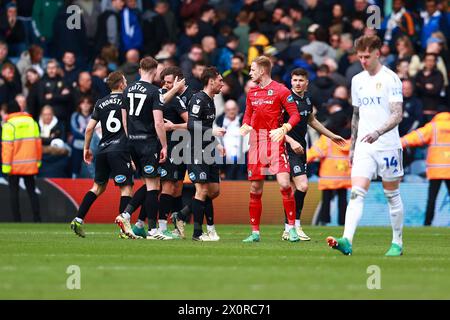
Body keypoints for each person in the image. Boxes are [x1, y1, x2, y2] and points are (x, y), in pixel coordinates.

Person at [326, 35, 405, 257]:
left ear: (378, 53)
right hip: (364, 146)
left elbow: (398, 114)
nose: (363, 60)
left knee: (392, 196)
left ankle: (397, 243)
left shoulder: (391, 79)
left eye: (367, 56)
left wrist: (378, 132)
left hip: (387, 145)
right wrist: (352, 147)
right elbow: (356, 115)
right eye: (360, 56)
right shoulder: (357, 80)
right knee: (356, 193)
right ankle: (347, 240)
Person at [239, 56, 300, 243]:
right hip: (257, 143)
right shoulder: (251, 92)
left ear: (263, 71)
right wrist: (245, 126)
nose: (250, 73)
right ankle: (255, 232)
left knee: (284, 184)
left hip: (275, 142)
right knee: (256, 188)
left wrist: (284, 129)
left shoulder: (281, 90)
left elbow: (295, 115)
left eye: (252, 69)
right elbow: (248, 115)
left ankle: (291, 229)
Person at [281, 68, 346, 241]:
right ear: (291, 82)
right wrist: (291, 141)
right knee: (302, 186)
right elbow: (276, 127)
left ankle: (289, 229)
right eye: (294, 80)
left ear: (306, 83)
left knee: (295, 190)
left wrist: (331, 136)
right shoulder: (285, 100)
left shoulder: (307, 100)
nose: (297, 83)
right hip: (287, 147)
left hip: (300, 148)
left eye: (301, 80)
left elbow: (311, 121)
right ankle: (295, 225)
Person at [70, 71, 133, 238]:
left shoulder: (101, 102)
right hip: (120, 150)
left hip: (103, 150)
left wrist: (86, 149)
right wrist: (132, 153)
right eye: (125, 81)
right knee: (126, 188)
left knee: (97, 187)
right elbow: (126, 126)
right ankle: (124, 230)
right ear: (120, 84)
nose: (126, 83)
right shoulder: (127, 100)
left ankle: (78, 218)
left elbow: (89, 128)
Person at [118, 57, 169, 240]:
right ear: (155, 71)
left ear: (140, 70)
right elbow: (158, 122)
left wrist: (129, 140)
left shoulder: (127, 89)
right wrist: (164, 145)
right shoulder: (155, 91)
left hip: (132, 141)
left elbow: (124, 121)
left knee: (149, 184)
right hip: (148, 142)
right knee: (154, 185)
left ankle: (125, 215)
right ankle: (153, 230)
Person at [174, 66, 226, 241]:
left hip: (208, 149)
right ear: (211, 81)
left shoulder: (210, 100)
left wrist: (216, 144)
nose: (222, 84)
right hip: (195, 149)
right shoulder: (198, 99)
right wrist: (213, 133)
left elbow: (207, 128)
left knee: (213, 190)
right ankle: (198, 233)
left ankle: (181, 215)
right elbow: (191, 125)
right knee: (202, 189)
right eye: (220, 80)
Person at [401, 108, 450, 226]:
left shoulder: (433, 127)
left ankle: (428, 223)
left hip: (436, 170)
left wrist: (398, 142)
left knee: (432, 198)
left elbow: (416, 137)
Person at [2, 103, 42, 222]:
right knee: (32, 192)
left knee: (14, 193)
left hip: (14, 166)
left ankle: (17, 220)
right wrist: (38, 162)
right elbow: (38, 144)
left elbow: (7, 148)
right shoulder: (32, 122)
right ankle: (37, 219)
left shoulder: (8, 125)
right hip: (30, 164)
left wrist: (5, 168)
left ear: (9, 112)